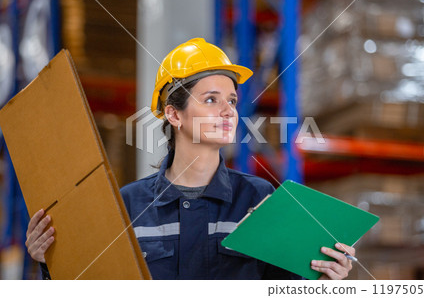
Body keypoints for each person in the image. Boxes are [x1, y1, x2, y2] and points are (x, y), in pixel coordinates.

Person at [25, 38, 355, 280]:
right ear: (174, 114)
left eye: (232, 100)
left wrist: (324, 282)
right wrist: (50, 261)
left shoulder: (261, 199)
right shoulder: (126, 206)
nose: (228, 111)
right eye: (211, 99)